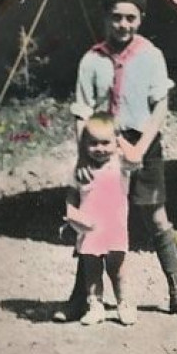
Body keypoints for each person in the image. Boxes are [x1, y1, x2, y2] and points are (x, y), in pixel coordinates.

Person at [70, 0, 177, 318]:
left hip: (143, 143)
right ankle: (82, 297)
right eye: (116, 18)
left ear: (141, 19)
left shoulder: (151, 55)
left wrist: (140, 148)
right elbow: (82, 112)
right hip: (101, 148)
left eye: (130, 18)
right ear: (105, 18)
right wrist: (84, 155)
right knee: (93, 219)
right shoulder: (92, 60)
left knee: (156, 216)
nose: (123, 25)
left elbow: (160, 106)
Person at [57, 113, 134, 326]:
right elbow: (71, 195)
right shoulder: (82, 170)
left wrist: (119, 140)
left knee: (117, 270)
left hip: (114, 227)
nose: (99, 148)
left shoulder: (120, 164)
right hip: (89, 229)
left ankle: (124, 304)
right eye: (93, 143)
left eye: (105, 142)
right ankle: (95, 305)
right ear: (84, 145)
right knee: (91, 271)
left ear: (115, 141)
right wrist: (72, 214)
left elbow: (136, 159)